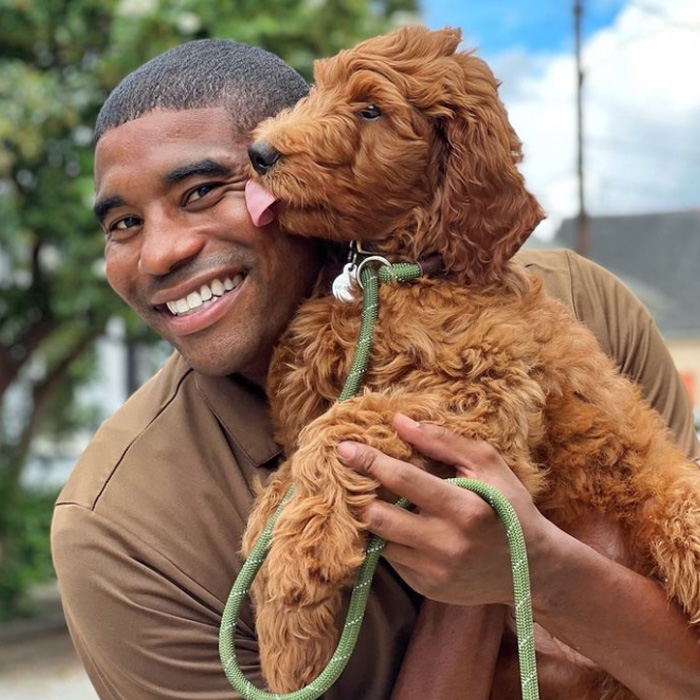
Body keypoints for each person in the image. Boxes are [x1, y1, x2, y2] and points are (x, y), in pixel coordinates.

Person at [51, 38, 700, 700]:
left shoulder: (581, 306)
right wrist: (479, 582)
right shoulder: (121, 532)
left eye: (203, 191)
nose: (159, 254)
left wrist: (545, 574)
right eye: (124, 223)